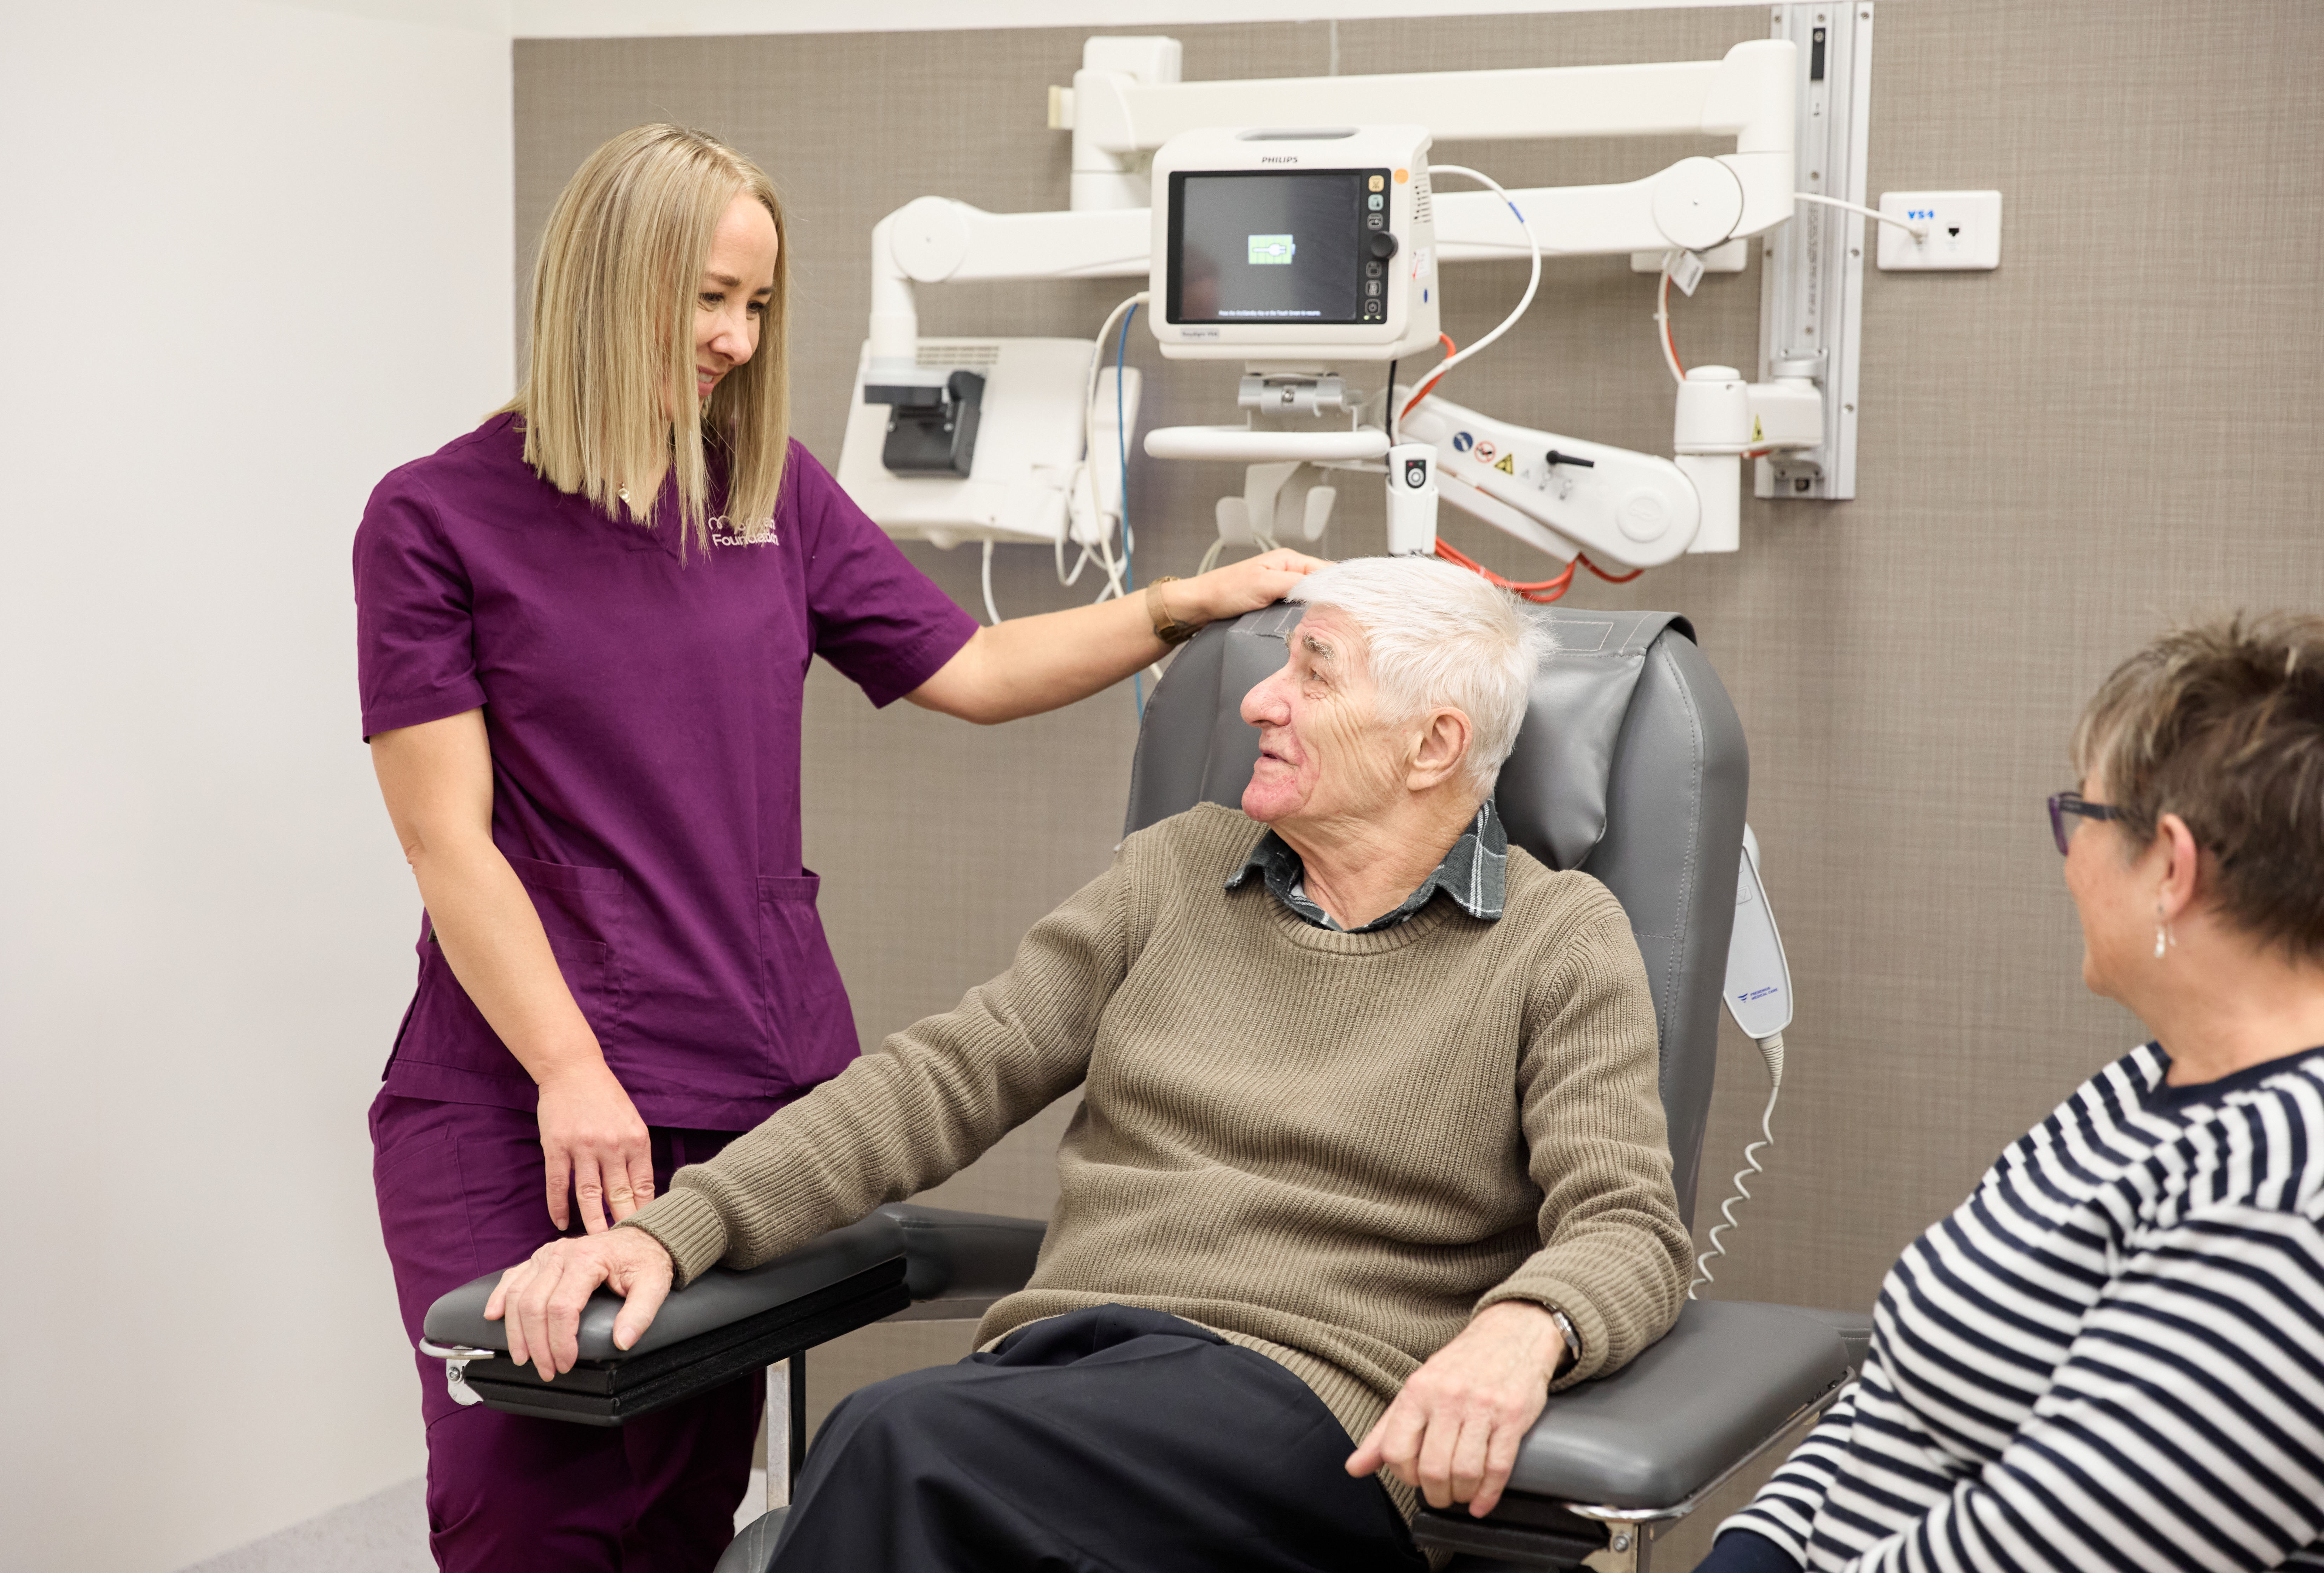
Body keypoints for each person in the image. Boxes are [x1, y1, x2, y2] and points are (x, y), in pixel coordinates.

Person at [356, 122, 1321, 1573]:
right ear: (610, 283)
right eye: (707, 299)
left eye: (757, 304)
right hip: (522, 1091)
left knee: (681, 1500)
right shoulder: (435, 518)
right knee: (526, 1492)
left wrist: (1186, 602)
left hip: (746, 1083)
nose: (739, 340)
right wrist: (570, 1075)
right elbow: (451, 845)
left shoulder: (768, 495)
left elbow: (976, 671)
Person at [490, 555, 1696, 1572]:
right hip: (1067, 1368)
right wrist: (671, 1229)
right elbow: (944, 1075)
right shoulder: (1178, 873)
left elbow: (1630, 1226)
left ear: (1435, 743)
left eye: (1310, 674)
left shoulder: (1554, 936)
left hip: (1310, 1411)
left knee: (895, 1445)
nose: (1256, 703)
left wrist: (1525, 1328)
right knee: (927, 1460)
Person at [1700, 612, 2324, 1573]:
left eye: (2083, 814)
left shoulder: (2284, 1202)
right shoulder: (2149, 1085)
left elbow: (2041, 1552)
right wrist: (1758, 1547)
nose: (2066, 855)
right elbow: (1894, 1391)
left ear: (2172, 867)